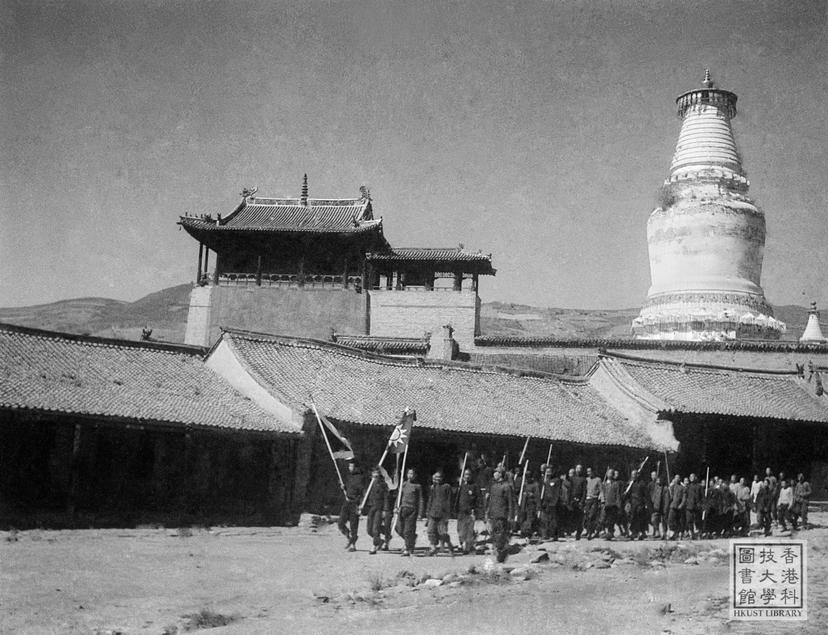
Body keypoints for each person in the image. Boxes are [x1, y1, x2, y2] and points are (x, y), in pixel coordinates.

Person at [487, 466, 514, 562]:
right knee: (494, 534)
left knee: (500, 534)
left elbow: (510, 502)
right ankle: (498, 551)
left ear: (500, 474)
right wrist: (488, 512)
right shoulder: (493, 486)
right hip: (493, 514)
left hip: (502, 514)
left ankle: (501, 553)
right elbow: (490, 501)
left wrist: (511, 515)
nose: (494, 474)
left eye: (496, 472)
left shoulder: (506, 486)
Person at [396, 468, 425, 556]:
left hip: (412, 510)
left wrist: (420, 513)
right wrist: (395, 506)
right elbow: (399, 496)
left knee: (408, 530)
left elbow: (421, 500)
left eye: (412, 474)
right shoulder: (404, 484)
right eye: (409, 473)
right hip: (402, 509)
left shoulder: (418, 486)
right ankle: (411, 540)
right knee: (399, 529)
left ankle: (408, 549)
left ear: (415, 475)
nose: (410, 475)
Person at [338, 459, 365, 551]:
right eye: (349, 466)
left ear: (356, 468)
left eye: (352, 466)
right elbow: (349, 488)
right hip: (347, 502)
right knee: (341, 523)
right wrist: (343, 487)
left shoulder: (360, 478)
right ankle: (348, 535)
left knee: (354, 525)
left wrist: (360, 504)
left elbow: (362, 492)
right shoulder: (349, 476)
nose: (350, 468)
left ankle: (353, 545)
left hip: (355, 503)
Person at [426, 471, 455, 555]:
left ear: (442, 478)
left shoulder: (447, 487)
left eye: (439, 477)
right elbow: (430, 500)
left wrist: (448, 514)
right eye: (435, 478)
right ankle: (433, 547)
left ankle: (448, 545)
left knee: (442, 532)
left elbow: (449, 501)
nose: (437, 479)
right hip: (433, 512)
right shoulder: (433, 487)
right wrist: (428, 511)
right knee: (430, 530)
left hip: (443, 513)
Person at [363, 466, 390, 554]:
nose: (375, 475)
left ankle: (374, 546)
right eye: (374, 473)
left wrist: (385, 510)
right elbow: (365, 496)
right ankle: (381, 540)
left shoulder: (383, 484)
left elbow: (386, 498)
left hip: (379, 508)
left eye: (377, 473)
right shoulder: (369, 484)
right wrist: (361, 506)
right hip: (371, 508)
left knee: (375, 529)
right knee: (369, 530)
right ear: (371, 474)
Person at [457, 468, 481, 554]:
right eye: (465, 475)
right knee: (460, 529)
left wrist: (476, 510)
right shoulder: (461, 486)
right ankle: (461, 543)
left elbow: (478, 499)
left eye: (469, 475)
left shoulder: (474, 486)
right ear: (463, 476)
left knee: (469, 530)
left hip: (470, 511)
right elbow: (457, 498)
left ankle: (467, 547)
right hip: (461, 511)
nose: (467, 476)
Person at [539, 466, 562, 541]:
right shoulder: (545, 481)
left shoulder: (556, 480)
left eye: (549, 471)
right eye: (547, 472)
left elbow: (557, 492)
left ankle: (555, 535)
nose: (548, 473)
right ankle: (545, 534)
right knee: (544, 519)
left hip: (553, 503)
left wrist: (554, 502)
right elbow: (543, 491)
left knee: (553, 520)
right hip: (546, 502)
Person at [626, 469, 648, 540]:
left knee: (640, 518)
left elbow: (646, 495)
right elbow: (628, 494)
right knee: (633, 518)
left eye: (634, 474)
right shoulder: (631, 483)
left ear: (637, 475)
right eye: (632, 475)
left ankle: (642, 532)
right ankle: (634, 533)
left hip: (640, 503)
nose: (633, 476)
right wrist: (628, 502)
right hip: (633, 503)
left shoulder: (642, 483)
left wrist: (646, 504)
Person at [518, 470, 540, 539]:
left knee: (530, 518)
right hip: (524, 503)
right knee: (523, 517)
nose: (528, 479)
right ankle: (523, 531)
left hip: (531, 503)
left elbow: (537, 495)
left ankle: (528, 532)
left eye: (529, 477)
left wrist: (532, 495)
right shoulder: (524, 484)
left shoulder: (535, 485)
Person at [602, 469, 622, 540]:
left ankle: (610, 533)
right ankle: (609, 532)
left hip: (613, 504)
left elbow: (618, 494)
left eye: (611, 473)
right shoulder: (604, 484)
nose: (610, 475)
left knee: (611, 519)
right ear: (607, 474)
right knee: (605, 519)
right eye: (609, 473)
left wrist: (618, 504)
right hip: (606, 504)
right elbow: (603, 493)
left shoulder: (616, 484)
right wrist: (602, 501)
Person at [583, 467, 602, 540]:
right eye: (587, 472)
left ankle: (591, 533)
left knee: (592, 516)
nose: (588, 473)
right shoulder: (586, 480)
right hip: (587, 500)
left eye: (590, 471)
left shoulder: (598, 479)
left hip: (594, 499)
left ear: (593, 472)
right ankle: (588, 531)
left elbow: (601, 490)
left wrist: (602, 500)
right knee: (587, 516)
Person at [684, 473, 703, 540]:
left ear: (695, 477)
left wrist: (701, 505)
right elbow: (685, 496)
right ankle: (692, 533)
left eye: (693, 477)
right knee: (689, 520)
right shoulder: (688, 487)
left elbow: (702, 497)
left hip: (697, 507)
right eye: (690, 477)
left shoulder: (699, 486)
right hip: (689, 506)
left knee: (698, 521)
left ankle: (699, 534)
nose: (692, 478)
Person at [650, 474, 670, 539]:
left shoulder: (665, 488)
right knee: (654, 519)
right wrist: (653, 503)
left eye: (659, 480)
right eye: (657, 480)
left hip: (663, 507)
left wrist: (666, 508)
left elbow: (667, 499)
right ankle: (657, 531)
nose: (658, 481)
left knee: (664, 521)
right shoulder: (656, 488)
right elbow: (653, 497)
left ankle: (664, 533)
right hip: (656, 507)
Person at [570, 464, 586, 540]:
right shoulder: (572, 479)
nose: (578, 470)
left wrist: (582, 501)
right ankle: (572, 530)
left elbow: (584, 491)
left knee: (580, 517)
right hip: (573, 500)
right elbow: (570, 490)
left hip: (580, 500)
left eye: (580, 468)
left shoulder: (583, 479)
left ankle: (579, 532)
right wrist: (571, 499)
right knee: (573, 516)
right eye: (577, 468)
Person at [667, 474, 685, 540]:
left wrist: (681, 505)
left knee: (678, 521)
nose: (677, 479)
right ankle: (673, 532)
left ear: (680, 479)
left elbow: (684, 498)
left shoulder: (683, 488)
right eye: (675, 478)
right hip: (672, 506)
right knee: (670, 520)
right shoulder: (672, 487)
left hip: (679, 506)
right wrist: (670, 486)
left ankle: (678, 534)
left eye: (678, 478)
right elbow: (670, 494)